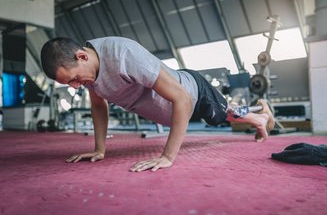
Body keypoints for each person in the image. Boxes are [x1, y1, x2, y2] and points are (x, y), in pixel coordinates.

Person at [40, 36, 275, 172]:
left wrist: (168, 156)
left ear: (82, 56)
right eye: (68, 83)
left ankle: (260, 114)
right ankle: (259, 114)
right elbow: (99, 106)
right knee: (228, 113)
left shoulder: (124, 55)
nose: (74, 86)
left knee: (224, 115)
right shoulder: (88, 74)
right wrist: (100, 150)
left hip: (192, 91)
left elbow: (181, 97)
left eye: (73, 79)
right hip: (176, 102)